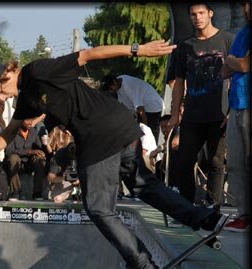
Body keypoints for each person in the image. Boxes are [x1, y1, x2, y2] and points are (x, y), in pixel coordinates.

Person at [0, 39, 225, 269]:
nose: (2, 98)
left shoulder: (38, 70)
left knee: (99, 208)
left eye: (0, 92)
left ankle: (142, 268)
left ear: (5, 76)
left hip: (100, 135)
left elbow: (87, 54)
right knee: (143, 184)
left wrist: (138, 50)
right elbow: (11, 129)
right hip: (120, 127)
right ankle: (203, 218)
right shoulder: (26, 97)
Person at [168, 3, 234, 207]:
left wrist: (232, 110)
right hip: (192, 114)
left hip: (220, 113)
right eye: (193, 14)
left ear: (210, 14)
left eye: (201, 13)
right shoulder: (184, 46)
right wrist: (175, 114)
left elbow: (239, 77)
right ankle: (187, 207)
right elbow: (178, 82)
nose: (197, 17)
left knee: (216, 162)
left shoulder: (228, 40)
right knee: (184, 161)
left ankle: (213, 207)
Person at [221, 1, 250, 233]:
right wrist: (234, 62)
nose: (247, 9)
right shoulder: (242, 33)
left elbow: (242, 64)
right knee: (236, 164)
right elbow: (225, 70)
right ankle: (244, 214)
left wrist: (232, 60)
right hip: (237, 105)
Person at [100, 74, 164, 142]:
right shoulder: (119, 84)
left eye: (110, 88)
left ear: (114, 82)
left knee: (147, 136)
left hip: (153, 107)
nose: (110, 91)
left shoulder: (128, 85)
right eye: (108, 90)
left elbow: (141, 110)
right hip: (143, 109)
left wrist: (145, 132)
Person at [3, 122, 47, 201]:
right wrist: (28, 151)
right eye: (28, 120)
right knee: (13, 158)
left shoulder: (34, 132)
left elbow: (38, 149)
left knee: (40, 159)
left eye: (32, 120)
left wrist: (41, 150)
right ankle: (15, 191)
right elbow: (8, 151)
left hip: (30, 163)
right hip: (17, 163)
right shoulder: (12, 132)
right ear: (22, 120)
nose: (30, 123)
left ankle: (37, 192)